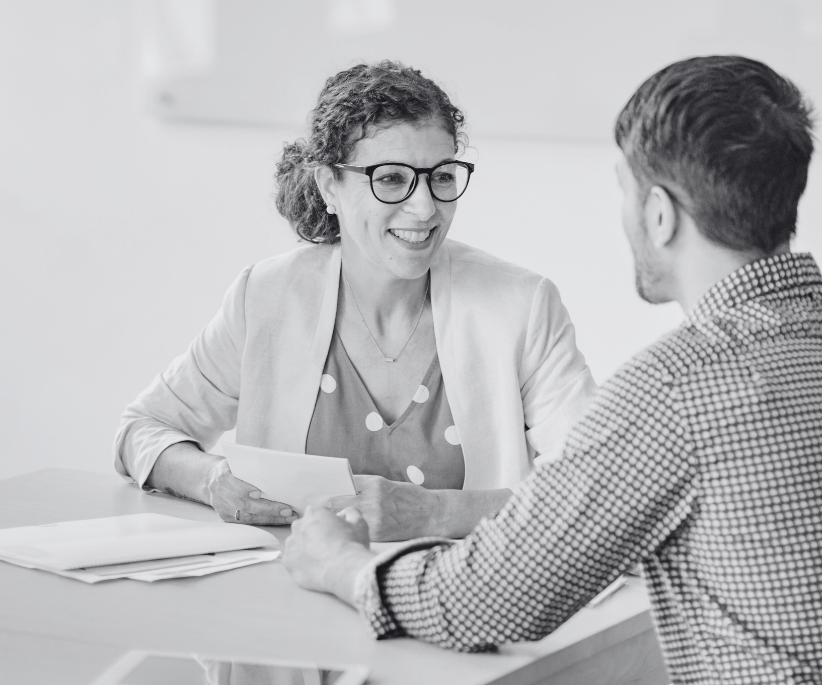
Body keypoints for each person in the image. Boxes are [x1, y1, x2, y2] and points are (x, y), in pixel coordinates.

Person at [283, 55, 822, 684]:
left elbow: (486, 600)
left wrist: (340, 565)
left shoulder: (676, 390)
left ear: (658, 213)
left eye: (622, 189)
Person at [113, 61, 596, 541]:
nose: (425, 207)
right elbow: (143, 429)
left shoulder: (522, 306)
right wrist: (213, 479)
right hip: (293, 597)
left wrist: (438, 514)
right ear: (329, 187)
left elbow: (597, 489)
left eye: (442, 176)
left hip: (460, 605)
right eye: (390, 178)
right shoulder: (265, 297)